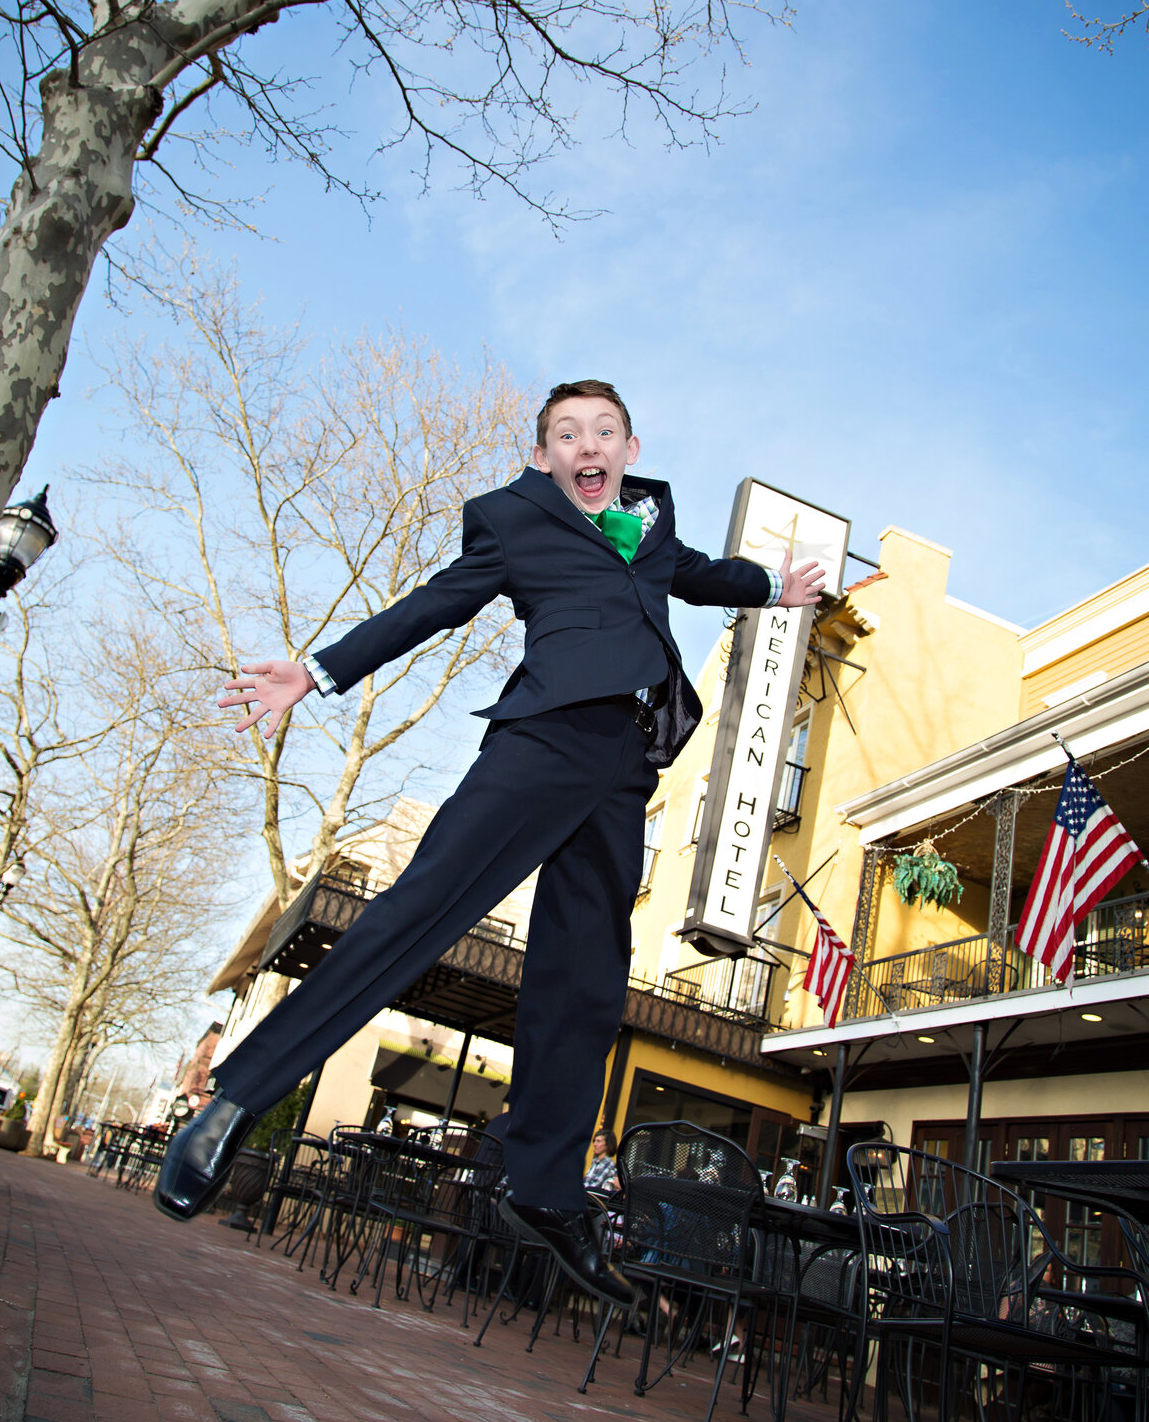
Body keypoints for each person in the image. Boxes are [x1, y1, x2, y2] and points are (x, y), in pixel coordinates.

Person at [154, 380, 824, 1307]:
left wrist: (772, 591)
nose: (585, 446)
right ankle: (237, 1098)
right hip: (543, 739)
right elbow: (436, 603)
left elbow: (702, 574)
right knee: (418, 912)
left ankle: (546, 1191)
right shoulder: (512, 518)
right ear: (545, 453)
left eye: (602, 432)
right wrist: (314, 671)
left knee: (586, 983)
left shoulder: (653, 526)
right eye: (565, 434)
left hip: (625, 770)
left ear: (630, 445)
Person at [584, 1129, 619, 1194]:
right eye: (594, 1141)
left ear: (607, 1144)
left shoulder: (608, 1164)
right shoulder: (595, 1162)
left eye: (598, 1141)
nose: (594, 1144)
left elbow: (595, 1186)